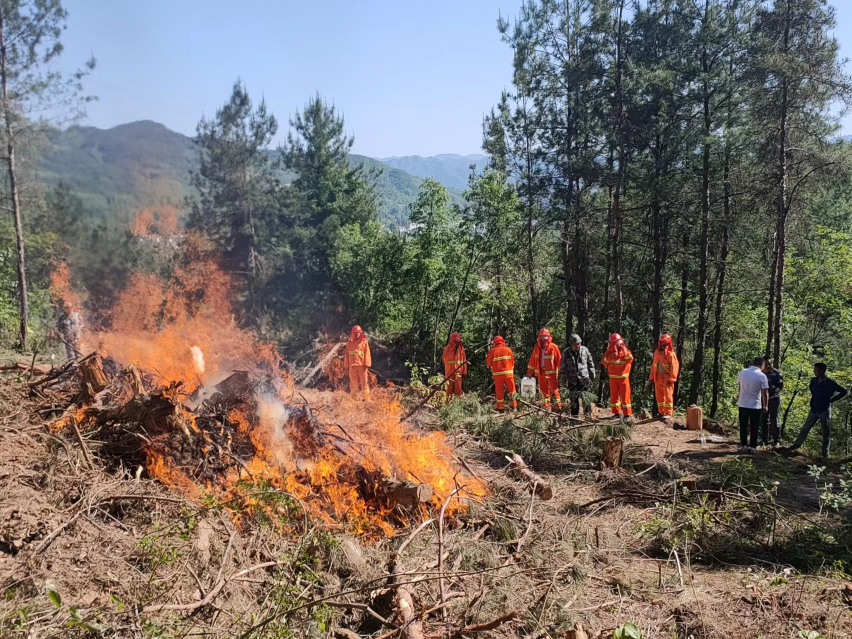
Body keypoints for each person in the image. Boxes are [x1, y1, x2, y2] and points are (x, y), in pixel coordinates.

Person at [785, 363, 848, 458]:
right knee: (805, 428)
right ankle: (796, 445)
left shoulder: (830, 383)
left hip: (824, 409)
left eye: (816, 369)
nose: (814, 371)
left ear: (822, 370)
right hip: (814, 408)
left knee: (825, 431)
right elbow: (811, 389)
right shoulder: (813, 380)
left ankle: (825, 453)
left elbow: (844, 391)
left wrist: (832, 399)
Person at [737, 357, 769, 452]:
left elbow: (739, 386)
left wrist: (740, 397)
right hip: (755, 405)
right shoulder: (762, 376)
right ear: (762, 365)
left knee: (743, 426)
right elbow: (765, 392)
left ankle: (743, 445)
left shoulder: (743, 372)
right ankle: (753, 447)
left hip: (742, 403)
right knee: (754, 427)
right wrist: (765, 405)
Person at [601, 333, 634, 423]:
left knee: (625, 396)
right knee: (614, 397)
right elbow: (604, 361)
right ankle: (617, 413)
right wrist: (610, 357)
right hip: (613, 378)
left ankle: (627, 414)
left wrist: (624, 350)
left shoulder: (624, 350)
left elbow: (630, 359)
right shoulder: (609, 351)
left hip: (623, 379)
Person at [526, 328, 562, 411]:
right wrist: (529, 372)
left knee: (555, 390)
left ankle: (558, 407)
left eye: (546, 337)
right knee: (543, 391)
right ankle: (547, 408)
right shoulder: (537, 348)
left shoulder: (553, 347)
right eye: (542, 337)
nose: (544, 339)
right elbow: (532, 360)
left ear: (549, 337)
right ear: (539, 337)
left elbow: (559, 360)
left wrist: (562, 372)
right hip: (541, 372)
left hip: (552, 373)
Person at [560, 333, 595, 417]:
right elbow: (563, 368)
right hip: (572, 380)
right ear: (571, 344)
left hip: (584, 379)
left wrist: (592, 374)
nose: (578, 345)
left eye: (579, 343)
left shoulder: (585, 350)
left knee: (586, 398)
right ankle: (575, 416)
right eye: (576, 344)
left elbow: (590, 363)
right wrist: (563, 379)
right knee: (574, 399)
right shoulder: (566, 353)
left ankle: (588, 415)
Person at [648, 334, 680, 421]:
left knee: (668, 395)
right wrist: (651, 378)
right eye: (662, 342)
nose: (664, 344)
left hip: (667, 377)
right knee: (659, 396)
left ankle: (668, 413)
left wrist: (672, 379)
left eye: (666, 343)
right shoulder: (656, 353)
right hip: (658, 376)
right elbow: (653, 366)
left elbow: (675, 367)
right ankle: (661, 412)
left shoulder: (671, 354)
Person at [486, 335, 517, 411]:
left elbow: (489, 364)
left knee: (499, 392)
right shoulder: (508, 350)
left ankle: (500, 408)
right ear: (503, 342)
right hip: (508, 374)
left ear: (494, 343)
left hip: (498, 376)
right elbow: (512, 362)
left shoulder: (491, 352)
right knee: (512, 390)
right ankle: (514, 406)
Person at [343, 325, 371, 397]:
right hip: (352, 366)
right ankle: (355, 399)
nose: (357, 334)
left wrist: (367, 363)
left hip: (362, 366)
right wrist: (346, 365)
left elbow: (367, 353)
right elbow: (346, 354)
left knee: (364, 382)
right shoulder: (349, 343)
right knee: (353, 383)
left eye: (359, 333)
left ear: (361, 333)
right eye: (356, 333)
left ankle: (366, 397)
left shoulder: (364, 342)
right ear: (353, 333)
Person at [761, 359, 784, 447]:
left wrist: (773, 392)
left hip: (773, 399)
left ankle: (776, 440)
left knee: (774, 420)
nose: (768, 366)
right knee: (763, 420)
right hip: (762, 400)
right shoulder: (760, 373)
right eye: (766, 364)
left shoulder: (777, 373)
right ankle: (764, 440)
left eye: (769, 364)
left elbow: (780, 386)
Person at [442, 333, 468, 402]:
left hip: (458, 372)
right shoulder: (447, 349)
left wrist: (464, 372)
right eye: (456, 342)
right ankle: (447, 403)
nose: (457, 343)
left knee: (458, 389)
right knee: (449, 389)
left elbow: (464, 360)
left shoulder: (461, 349)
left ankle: (457, 404)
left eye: (458, 342)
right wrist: (452, 351)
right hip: (449, 372)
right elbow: (444, 359)